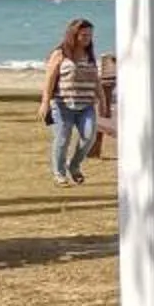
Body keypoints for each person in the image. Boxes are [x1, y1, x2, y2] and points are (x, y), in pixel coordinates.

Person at [40, 17, 101, 185]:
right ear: (73, 35)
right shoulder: (60, 54)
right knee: (63, 138)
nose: (87, 39)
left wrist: (102, 100)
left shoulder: (89, 55)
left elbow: (96, 79)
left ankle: (74, 166)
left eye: (89, 35)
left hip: (86, 104)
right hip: (62, 104)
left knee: (89, 137)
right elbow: (49, 79)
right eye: (84, 35)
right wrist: (45, 102)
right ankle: (59, 173)